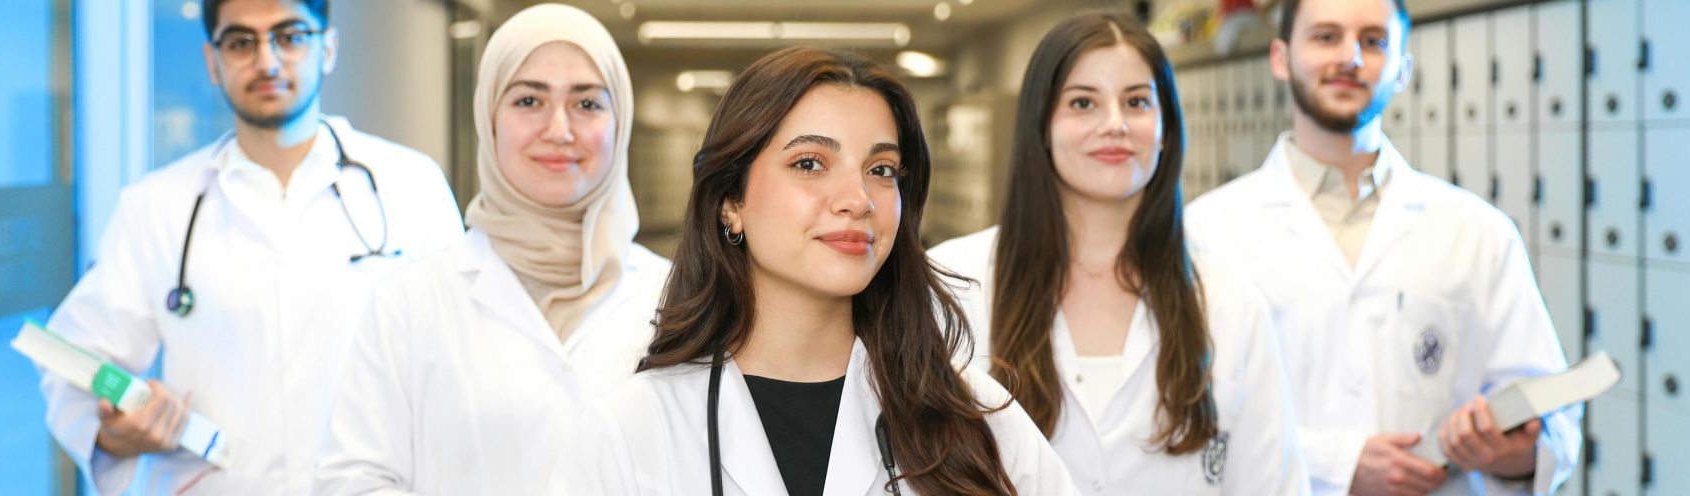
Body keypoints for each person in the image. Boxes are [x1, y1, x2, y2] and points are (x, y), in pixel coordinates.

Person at [549, 46, 1079, 495]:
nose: (857, 198)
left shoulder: (979, 420)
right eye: (809, 163)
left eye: (881, 170)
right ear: (730, 201)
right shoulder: (632, 433)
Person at [35, 0, 463, 493]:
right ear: (212, 62)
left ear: (328, 48)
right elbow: (75, 360)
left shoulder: (410, 186)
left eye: (290, 36)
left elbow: (460, 363)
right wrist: (115, 434)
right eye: (241, 42)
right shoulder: (157, 206)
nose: (267, 61)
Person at [1185, 0, 1580, 494]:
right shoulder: (1208, 230)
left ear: (1402, 69)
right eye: (1326, 37)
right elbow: (1189, 417)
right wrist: (1338, 463)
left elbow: (1554, 422)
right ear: (1281, 58)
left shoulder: (1478, 231)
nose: (1350, 57)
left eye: (1373, 41)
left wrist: (1515, 453)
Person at [928, 11, 1307, 495]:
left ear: (1165, 126)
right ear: (1040, 126)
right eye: (1083, 102)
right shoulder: (953, 284)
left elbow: (1273, 485)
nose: (1114, 124)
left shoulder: (1230, 301)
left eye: (1136, 102)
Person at [313, 4, 670, 495]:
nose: (559, 130)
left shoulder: (678, 299)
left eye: (587, 103)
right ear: (490, 119)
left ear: (619, 122)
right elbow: (354, 482)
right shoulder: (410, 303)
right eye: (528, 101)